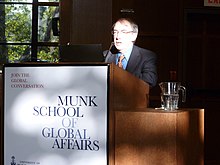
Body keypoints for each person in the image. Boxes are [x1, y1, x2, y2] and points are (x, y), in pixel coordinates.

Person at [104, 17, 157, 87]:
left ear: (134, 36)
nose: (118, 36)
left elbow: (150, 80)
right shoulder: (106, 55)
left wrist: (120, 78)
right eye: (115, 32)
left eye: (123, 32)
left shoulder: (147, 56)